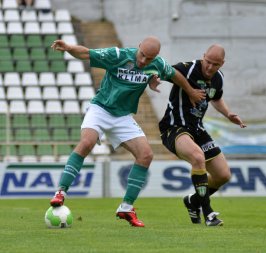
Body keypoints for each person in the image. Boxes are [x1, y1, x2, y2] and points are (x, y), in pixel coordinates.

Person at [49, 36, 205, 227]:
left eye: (149, 58)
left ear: (155, 56)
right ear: (138, 47)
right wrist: (69, 48)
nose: (143, 61)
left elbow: (174, 75)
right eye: (142, 55)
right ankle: (61, 192)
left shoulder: (158, 64)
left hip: (122, 117)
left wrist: (190, 91)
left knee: (146, 155)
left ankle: (126, 207)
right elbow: (86, 53)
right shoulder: (118, 55)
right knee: (87, 143)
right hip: (101, 109)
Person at [159, 44, 246, 226]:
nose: (209, 67)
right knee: (197, 157)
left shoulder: (218, 78)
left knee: (223, 175)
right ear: (203, 56)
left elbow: (216, 98)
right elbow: (166, 71)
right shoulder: (189, 68)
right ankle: (208, 213)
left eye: (215, 64)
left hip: (197, 129)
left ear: (222, 64)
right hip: (174, 127)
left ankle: (192, 202)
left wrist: (228, 114)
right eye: (207, 62)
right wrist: (187, 89)